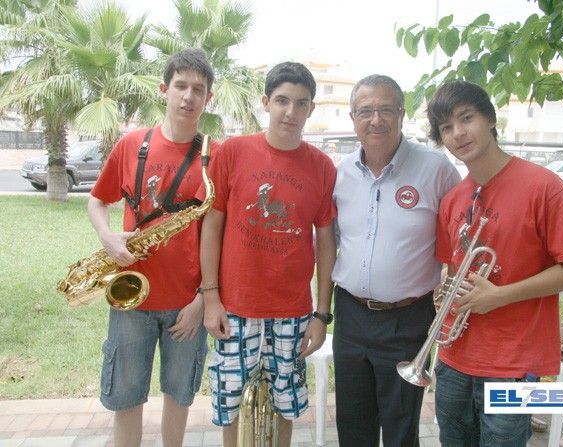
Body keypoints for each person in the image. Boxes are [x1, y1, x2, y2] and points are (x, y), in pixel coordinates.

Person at [427, 80, 563, 446]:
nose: (458, 133)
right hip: (454, 360)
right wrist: (445, 292)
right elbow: (452, 269)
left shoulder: (544, 187)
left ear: (490, 119)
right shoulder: (453, 199)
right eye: (446, 128)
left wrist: (499, 296)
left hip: (516, 364)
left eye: (466, 118)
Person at [199, 61, 337, 447]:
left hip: (293, 310)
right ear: (266, 102)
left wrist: (321, 315)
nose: (290, 111)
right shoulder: (232, 152)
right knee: (231, 403)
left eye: (301, 103)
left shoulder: (322, 167)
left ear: (311, 109)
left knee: (285, 403)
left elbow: (326, 242)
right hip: (235, 306)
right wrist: (211, 298)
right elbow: (212, 225)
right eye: (282, 100)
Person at [88, 48, 215, 447]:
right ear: (164, 89)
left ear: (208, 97)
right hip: (131, 299)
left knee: (179, 396)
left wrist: (202, 300)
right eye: (180, 85)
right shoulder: (131, 144)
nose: (188, 96)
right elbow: (97, 201)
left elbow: (220, 238)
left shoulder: (214, 157)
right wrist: (107, 236)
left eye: (198, 89)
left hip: (186, 304)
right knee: (126, 400)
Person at [332, 74, 461, 447]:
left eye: (386, 110)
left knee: (401, 428)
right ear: (353, 118)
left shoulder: (436, 170)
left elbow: (461, 239)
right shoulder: (340, 173)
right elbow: (331, 240)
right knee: (352, 423)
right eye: (366, 111)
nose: (376, 120)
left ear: (402, 115)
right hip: (350, 314)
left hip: (408, 318)